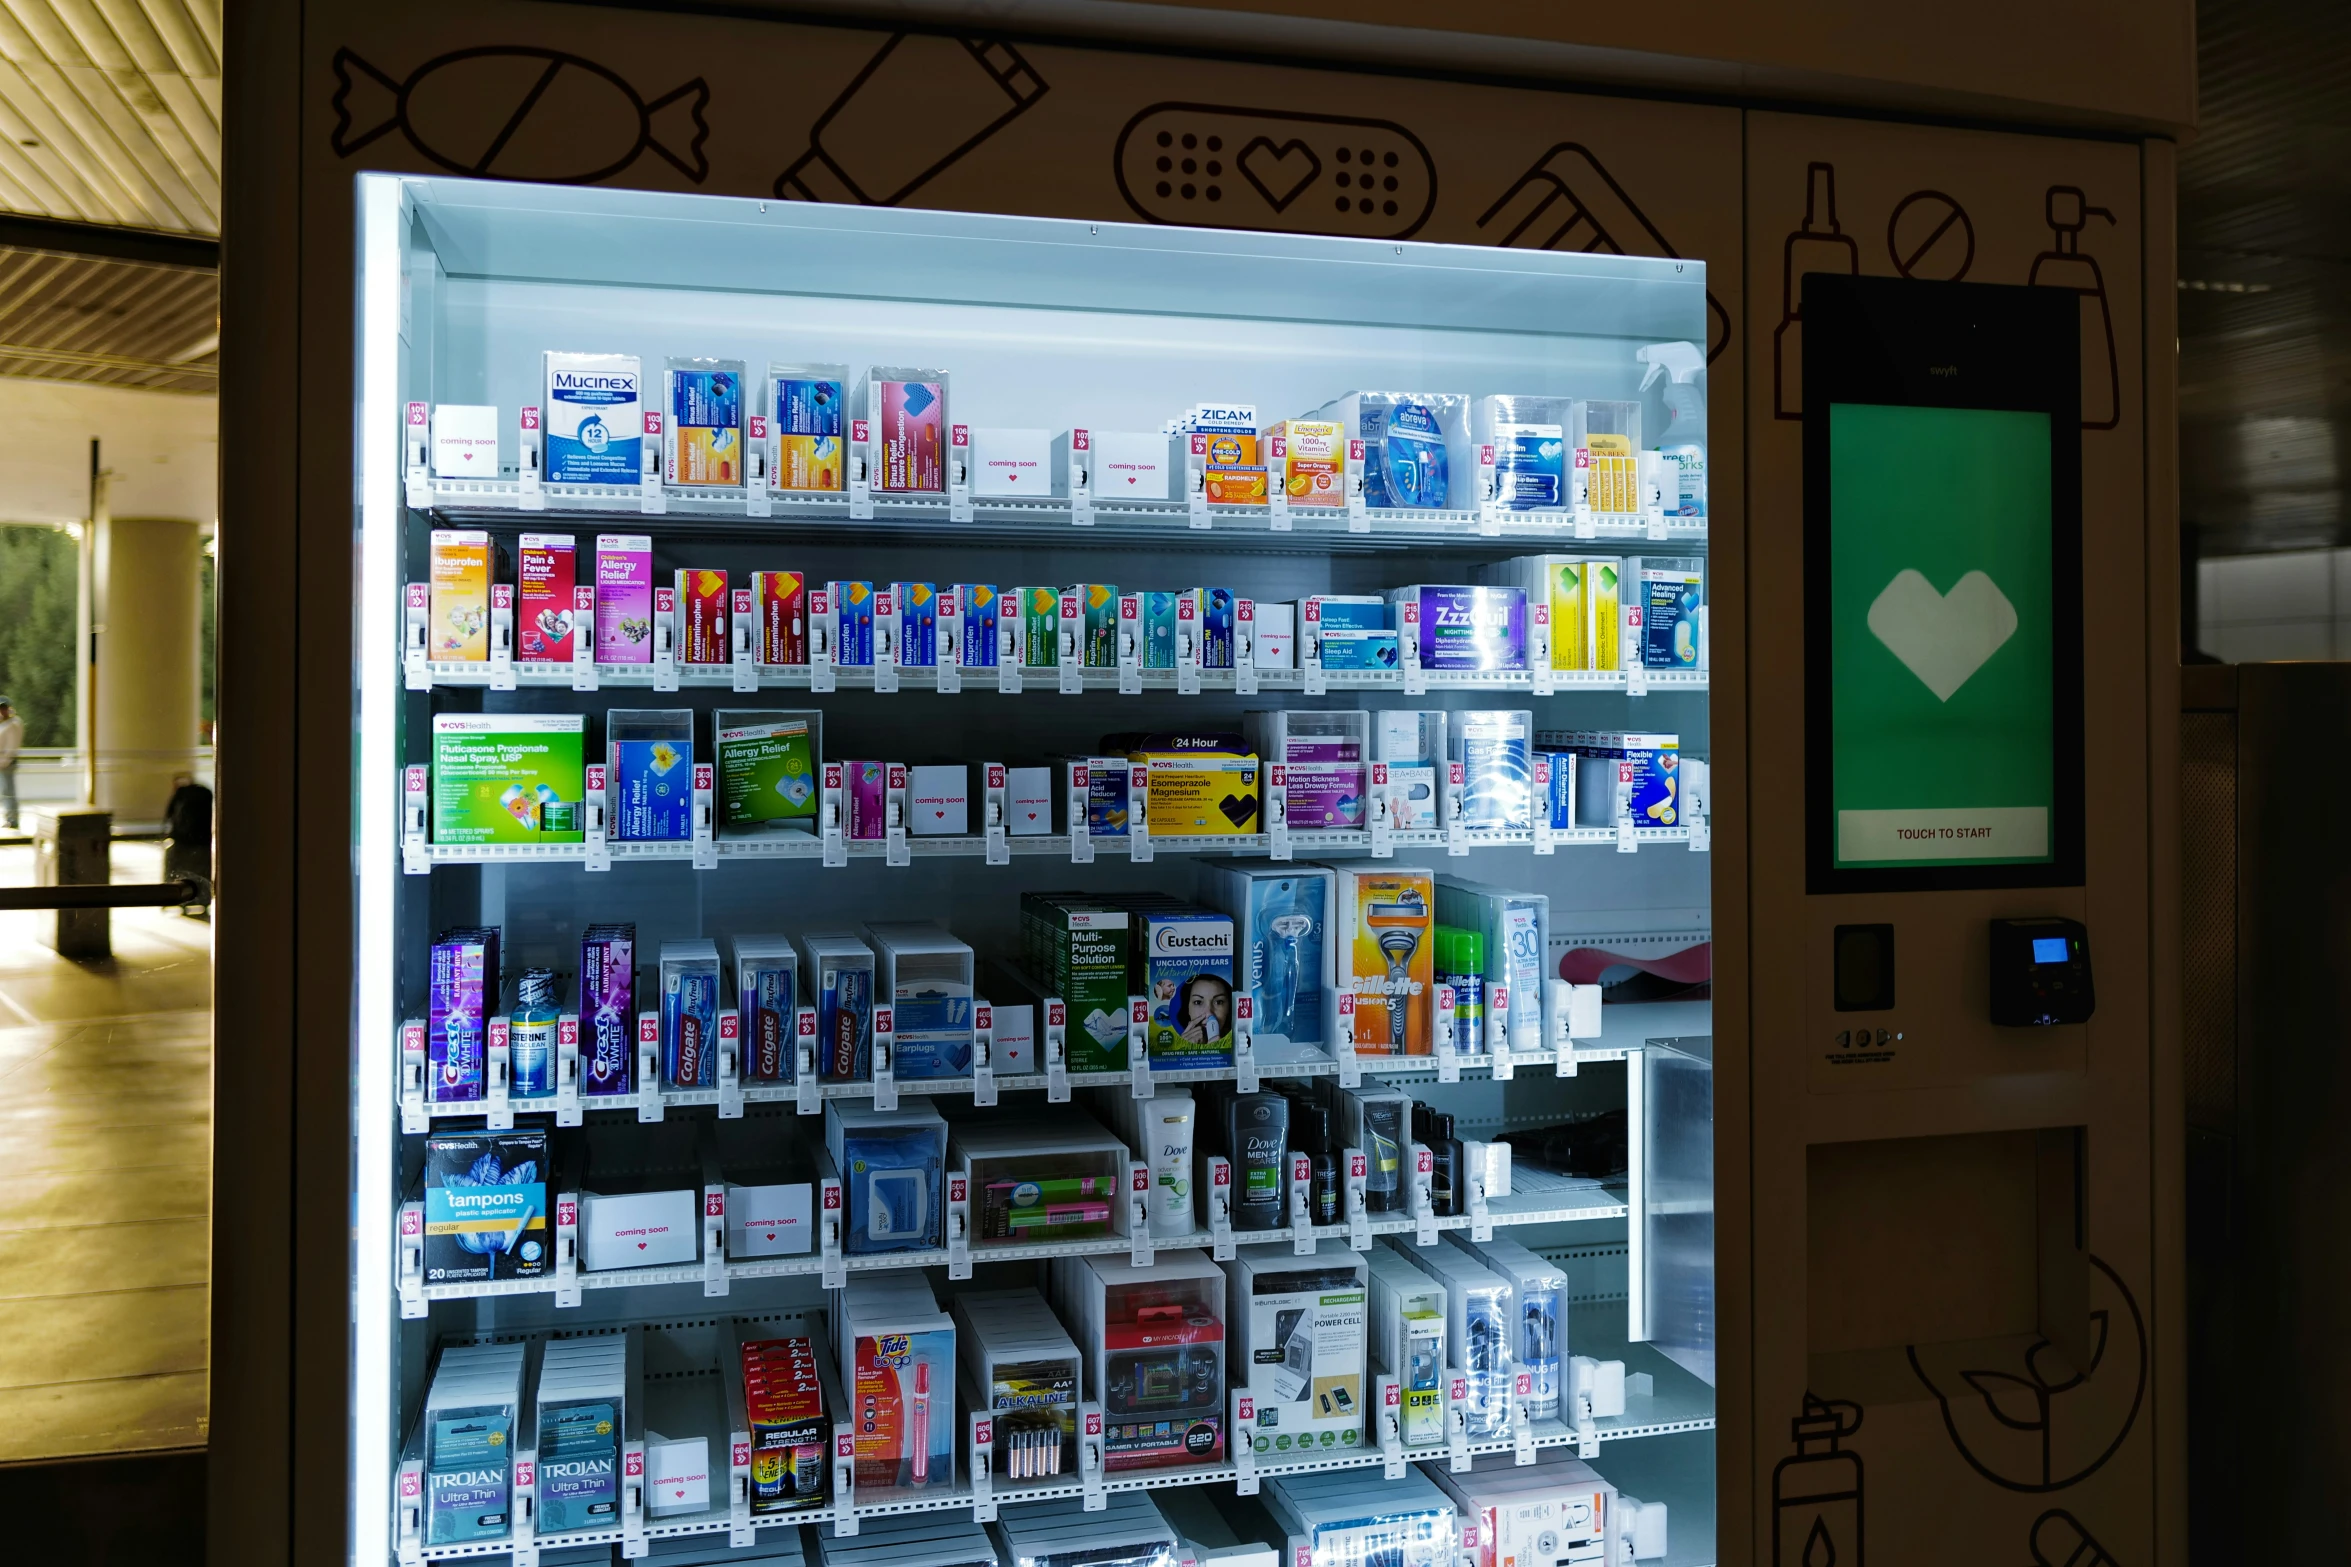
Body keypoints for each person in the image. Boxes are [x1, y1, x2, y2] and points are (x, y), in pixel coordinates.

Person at [163, 770, 213, 917]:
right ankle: (204, 902)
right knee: (202, 869)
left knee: (180, 868)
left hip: (182, 840)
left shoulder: (180, 794)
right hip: (203, 840)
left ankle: (180, 902)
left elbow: (169, 816)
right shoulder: (205, 792)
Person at [0, 696, 21, 831]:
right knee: (5, 790)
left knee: (8, 791)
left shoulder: (13, 723)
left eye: (4, 708)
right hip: (2, 761)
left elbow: (12, 746)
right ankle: (9, 817)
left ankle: (12, 818)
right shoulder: (4, 723)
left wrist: (4, 761)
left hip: (6, 762)